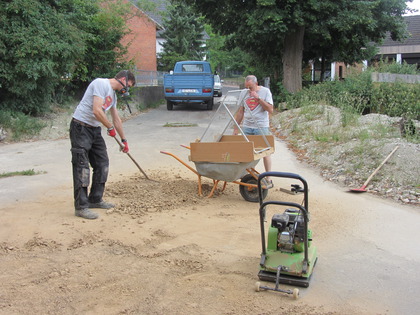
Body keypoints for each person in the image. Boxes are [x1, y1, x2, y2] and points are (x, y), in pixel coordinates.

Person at [70, 70, 136, 219]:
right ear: (123, 79)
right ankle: (81, 207)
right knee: (82, 167)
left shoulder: (112, 95)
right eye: (128, 86)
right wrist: (109, 127)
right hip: (81, 127)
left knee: (102, 164)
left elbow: (116, 119)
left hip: (94, 130)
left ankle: (95, 199)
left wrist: (124, 140)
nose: (126, 89)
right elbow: (96, 111)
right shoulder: (101, 83)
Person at [234, 75, 274, 187]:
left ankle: (269, 177)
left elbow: (270, 109)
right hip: (247, 126)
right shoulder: (244, 93)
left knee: (265, 151)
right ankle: (250, 176)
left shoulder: (265, 92)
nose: (249, 89)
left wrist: (258, 98)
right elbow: (241, 112)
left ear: (256, 84)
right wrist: (236, 127)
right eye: (247, 87)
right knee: (247, 152)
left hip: (261, 126)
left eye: (250, 87)